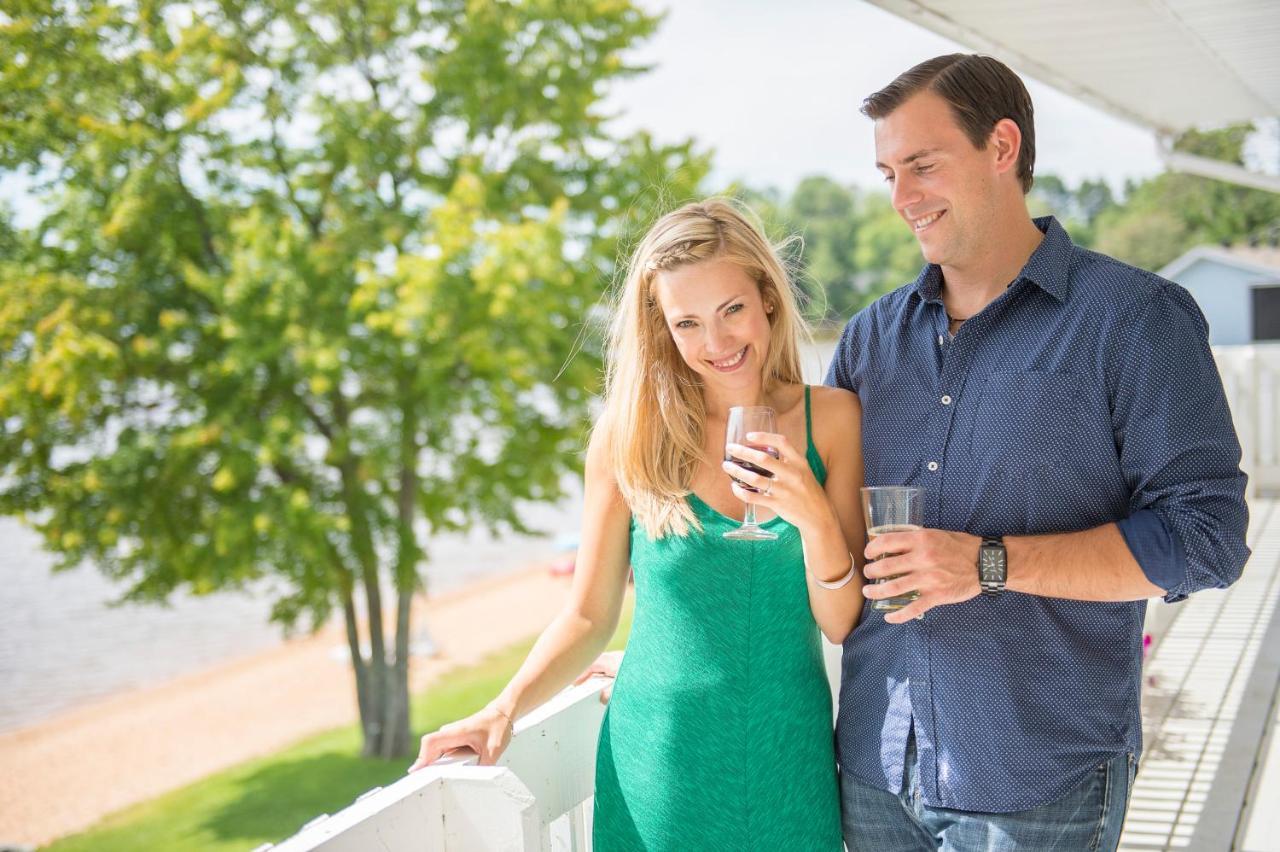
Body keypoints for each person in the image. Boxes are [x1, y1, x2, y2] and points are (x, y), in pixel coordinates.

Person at [826, 54, 1251, 851]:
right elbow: (823, 539)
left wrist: (987, 564)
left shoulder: (1134, 319)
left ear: (1002, 146)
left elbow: (1208, 539)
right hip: (875, 770)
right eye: (888, 172)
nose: (901, 198)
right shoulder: (868, 341)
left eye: (922, 165)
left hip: (1037, 778)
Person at [407, 198, 866, 850]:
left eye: (731, 309)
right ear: (664, 330)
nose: (717, 343)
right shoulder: (630, 436)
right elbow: (588, 616)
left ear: (767, 296)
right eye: (688, 323)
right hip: (659, 764)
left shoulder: (835, 421)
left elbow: (842, 620)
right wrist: (501, 710)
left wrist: (815, 516)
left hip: (787, 761)